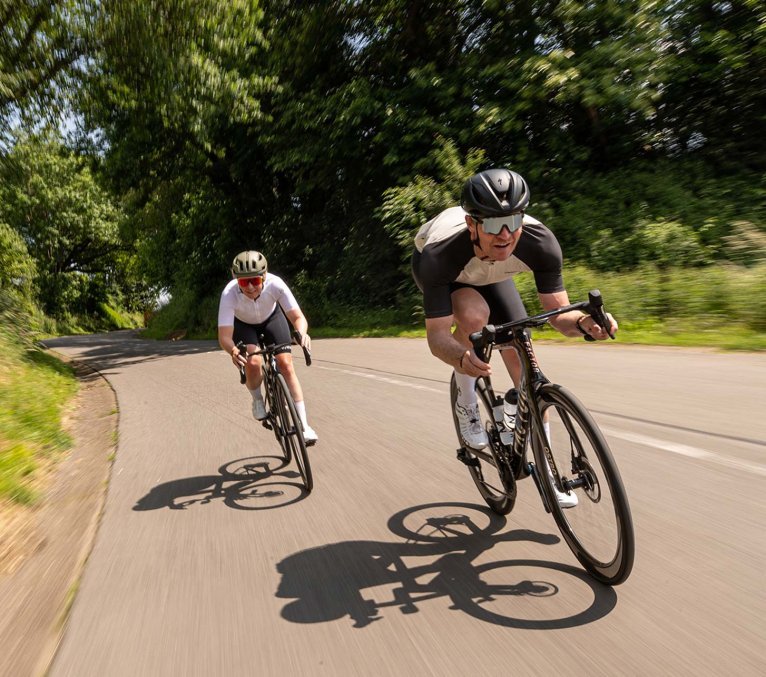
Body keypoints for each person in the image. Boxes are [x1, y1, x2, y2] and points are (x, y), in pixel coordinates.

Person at [411, 168, 617, 507]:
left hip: (491, 274)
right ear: (472, 225)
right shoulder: (441, 253)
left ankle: (548, 472)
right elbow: (436, 337)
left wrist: (584, 324)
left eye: (514, 220)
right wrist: (462, 357)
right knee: (475, 316)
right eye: (493, 224)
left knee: (524, 365)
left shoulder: (540, 241)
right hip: (452, 275)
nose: (505, 234)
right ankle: (466, 400)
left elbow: (558, 314)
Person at [218, 250, 318, 443]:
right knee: (253, 362)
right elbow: (224, 336)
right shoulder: (229, 294)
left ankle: (304, 426)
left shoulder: (275, 284)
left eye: (254, 281)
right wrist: (233, 350)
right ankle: (257, 400)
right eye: (243, 282)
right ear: (235, 279)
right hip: (244, 325)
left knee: (286, 365)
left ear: (263, 276)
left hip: (272, 318)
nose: (249, 287)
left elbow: (298, 318)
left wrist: (301, 333)